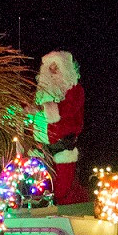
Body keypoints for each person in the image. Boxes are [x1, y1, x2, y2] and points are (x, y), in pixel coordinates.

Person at [32, 51, 87, 206]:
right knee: (39, 187)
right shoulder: (41, 94)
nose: (53, 71)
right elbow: (32, 111)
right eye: (50, 67)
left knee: (64, 187)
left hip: (64, 147)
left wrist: (45, 109)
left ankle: (64, 208)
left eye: (57, 67)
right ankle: (40, 208)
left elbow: (67, 110)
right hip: (42, 148)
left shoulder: (75, 91)